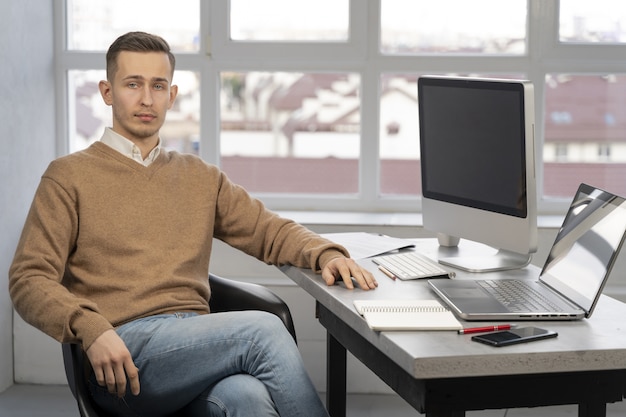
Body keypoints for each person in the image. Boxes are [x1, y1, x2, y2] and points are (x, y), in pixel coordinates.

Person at [8, 31, 377, 417]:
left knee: (246, 397)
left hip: (195, 346)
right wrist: (89, 326)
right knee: (264, 330)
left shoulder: (199, 176)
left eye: (158, 85)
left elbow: (267, 229)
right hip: (121, 355)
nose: (146, 98)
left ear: (172, 95)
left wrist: (324, 254)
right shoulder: (68, 177)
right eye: (132, 84)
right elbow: (28, 279)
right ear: (107, 91)